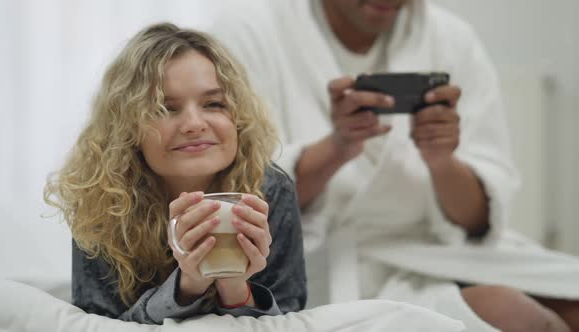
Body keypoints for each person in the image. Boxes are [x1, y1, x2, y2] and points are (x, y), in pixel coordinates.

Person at [207, 0, 579, 331]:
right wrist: (338, 146)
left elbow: (479, 219)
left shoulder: (450, 37)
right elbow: (243, 203)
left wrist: (441, 159)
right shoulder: (249, 30)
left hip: (442, 248)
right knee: (519, 316)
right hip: (327, 260)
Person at [44, 22, 307, 325]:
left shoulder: (269, 190)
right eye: (164, 109)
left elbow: (291, 320)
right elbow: (98, 324)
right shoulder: (101, 199)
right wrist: (187, 286)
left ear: (238, 116)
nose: (194, 124)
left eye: (214, 104)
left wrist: (235, 286)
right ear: (127, 129)